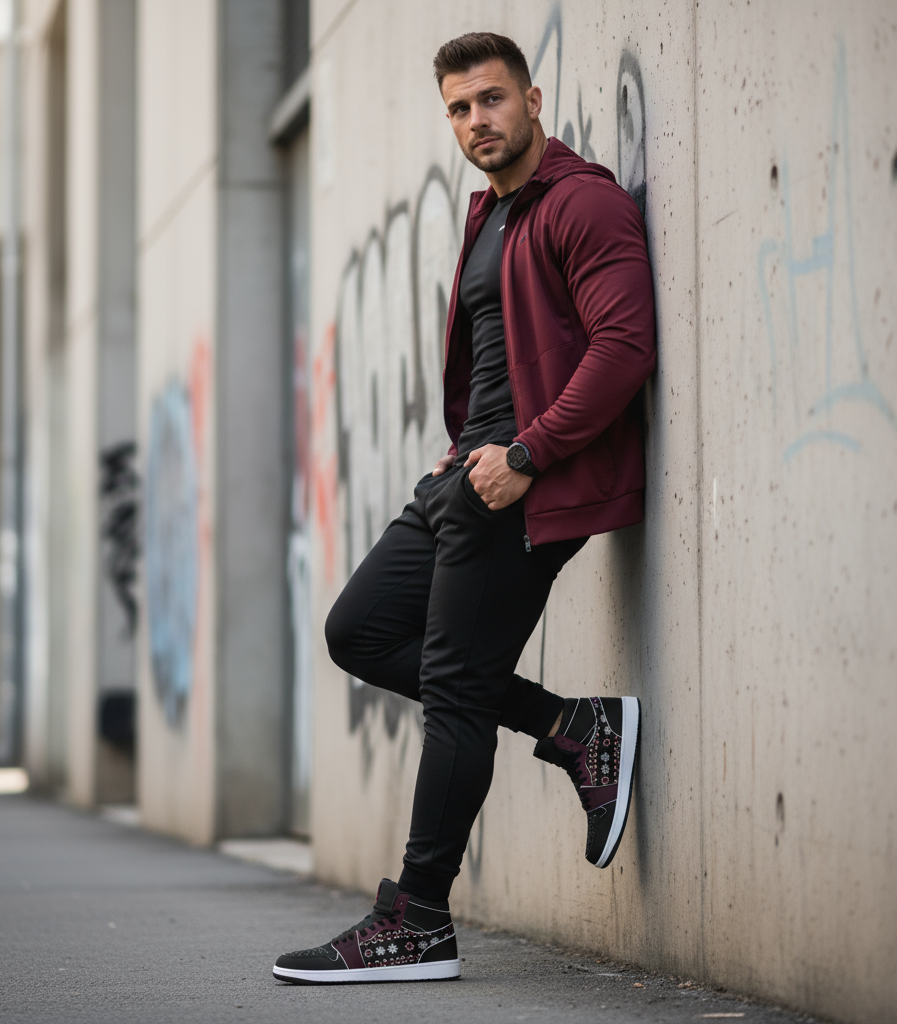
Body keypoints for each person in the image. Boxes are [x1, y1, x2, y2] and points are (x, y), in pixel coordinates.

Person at [273, 31, 656, 984]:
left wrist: (528, 454)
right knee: (359, 630)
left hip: (522, 483)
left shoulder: (582, 202)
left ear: (532, 99)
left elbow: (624, 345)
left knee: (453, 693)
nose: (476, 120)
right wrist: (471, 462)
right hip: (466, 478)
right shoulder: (491, 213)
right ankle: (573, 728)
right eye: (458, 108)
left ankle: (417, 920)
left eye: (490, 99)